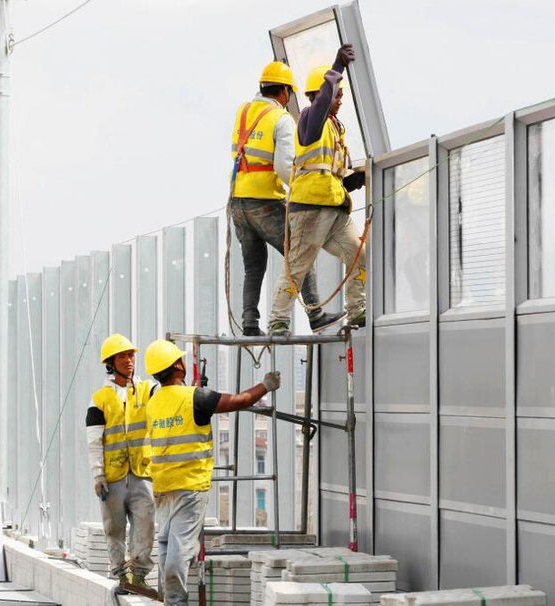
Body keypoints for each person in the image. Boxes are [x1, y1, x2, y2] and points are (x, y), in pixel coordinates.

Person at [143, 339, 280, 605]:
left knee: (167, 547)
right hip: (188, 487)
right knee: (177, 551)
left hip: (165, 488)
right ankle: (176, 600)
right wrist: (266, 385)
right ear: (178, 366)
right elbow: (240, 400)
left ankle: (171, 599)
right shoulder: (196, 397)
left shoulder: (153, 401)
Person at [230, 61, 343, 335]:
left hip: (238, 202)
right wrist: (301, 190)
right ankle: (315, 313)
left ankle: (249, 322)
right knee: (301, 253)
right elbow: (284, 166)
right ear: (285, 91)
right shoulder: (280, 119)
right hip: (266, 202)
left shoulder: (243, 112)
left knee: (253, 267)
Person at [268, 44, 368, 336]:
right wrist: (337, 67)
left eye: (340, 96)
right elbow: (323, 102)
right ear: (318, 94)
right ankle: (278, 321)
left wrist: (357, 179)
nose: (339, 100)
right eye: (336, 95)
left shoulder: (336, 129)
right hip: (309, 210)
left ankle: (357, 310)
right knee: (297, 267)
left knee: (359, 254)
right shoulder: (311, 118)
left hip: (333, 208)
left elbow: (329, 173)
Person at [85, 334, 156, 589]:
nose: (129, 360)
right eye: (122, 356)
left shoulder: (148, 390)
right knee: (114, 529)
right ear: (110, 363)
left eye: (131, 355)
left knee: (145, 526)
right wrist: (98, 475)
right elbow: (94, 441)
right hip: (113, 477)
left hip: (141, 473)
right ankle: (121, 577)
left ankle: (139, 577)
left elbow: (170, 395)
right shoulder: (100, 399)